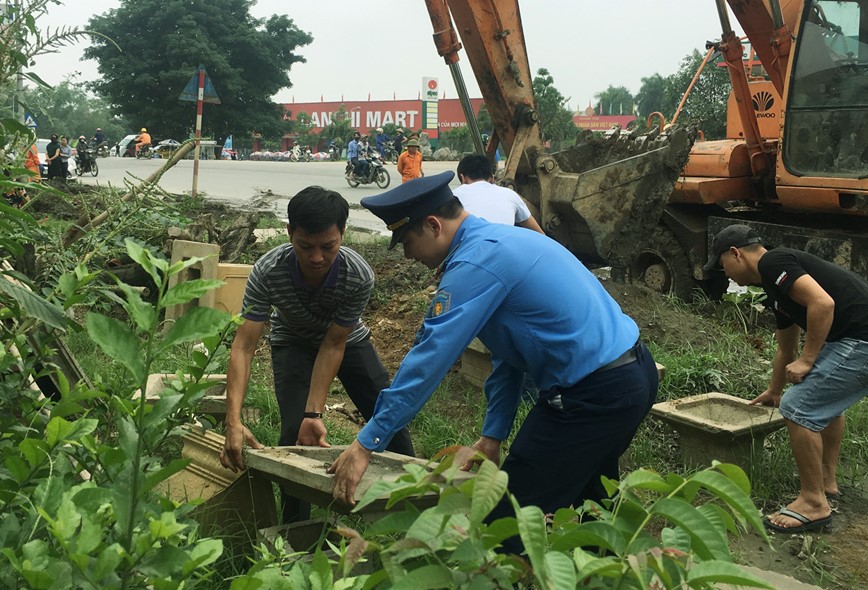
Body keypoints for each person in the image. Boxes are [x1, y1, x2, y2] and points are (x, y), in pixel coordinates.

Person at [328, 172, 658, 553]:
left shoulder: (475, 264)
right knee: (594, 508)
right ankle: (606, 574)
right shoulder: (502, 240)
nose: (407, 255)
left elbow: (429, 360)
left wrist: (367, 443)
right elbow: (509, 355)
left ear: (433, 225)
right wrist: (492, 436)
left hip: (591, 396)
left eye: (407, 242)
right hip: (631, 376)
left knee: (504, 522)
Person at [219, 186, 415, 523]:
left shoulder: (358, 275)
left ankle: (413, 507)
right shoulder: (268, 271)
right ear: (289, 233)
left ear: (343, 234)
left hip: (347, 341)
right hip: (291, 340)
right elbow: (244, 345)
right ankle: (295, 534)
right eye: (305, 246)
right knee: (296, 434)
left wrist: (317, 410)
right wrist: (233, 420)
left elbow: (334, 343)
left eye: (328, 247)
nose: (316, 258)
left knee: (389, 416)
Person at [704, 224, 868, 534]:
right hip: (855, 338)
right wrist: (774, 389)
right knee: (822, 403)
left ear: (735, 253)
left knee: (799, 407)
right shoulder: (775, 287)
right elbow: (785, 346)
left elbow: (823, 304)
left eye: (721, 264)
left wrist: (808, 360)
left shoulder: (774, 263)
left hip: (861, 340)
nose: (724, 273)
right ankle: (826, 481)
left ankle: (813, 503)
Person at [453, 155, 545, 234]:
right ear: (492, 178)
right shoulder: (510, 194)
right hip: (503, 251)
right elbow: (540, 235)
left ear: (462, 178)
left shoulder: (453, 196)